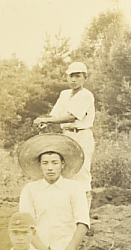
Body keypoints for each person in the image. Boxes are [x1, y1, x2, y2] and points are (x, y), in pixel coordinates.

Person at [33, 62, 96, 204]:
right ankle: (68, 211)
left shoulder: (86, 95)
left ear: (84, 77)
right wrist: (43, 121)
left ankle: (84, 216)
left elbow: (72, 116)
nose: (73, 80)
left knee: (82, 172)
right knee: (65, 172)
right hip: (67, 136)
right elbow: (54, 115)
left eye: (77, 76)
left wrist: (48, 121)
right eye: (71, 76)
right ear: (67, 77)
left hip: (81, 135)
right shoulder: (64, 94)